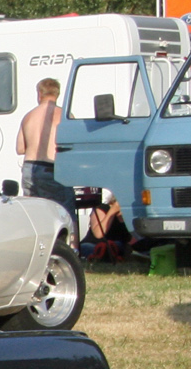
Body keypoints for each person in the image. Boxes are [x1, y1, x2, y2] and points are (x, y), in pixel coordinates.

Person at [16, 77, 75, 218]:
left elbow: (20, 149)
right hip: (51, 168)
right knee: (63, 214)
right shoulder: (64, 116)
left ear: (39, 94)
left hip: (30, 168)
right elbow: (73, 146)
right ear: (57, 94)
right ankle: (67, 240)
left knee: (35, 215)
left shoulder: (28, 116)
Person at [77, 189, 132, 262]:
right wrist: (112, 211)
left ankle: (107, 254)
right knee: (89, 247)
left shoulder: (130, 215)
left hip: (116, 246)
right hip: (93, 244)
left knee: (118, 245)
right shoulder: (102, 208)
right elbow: (98, 234)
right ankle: (102, 253)